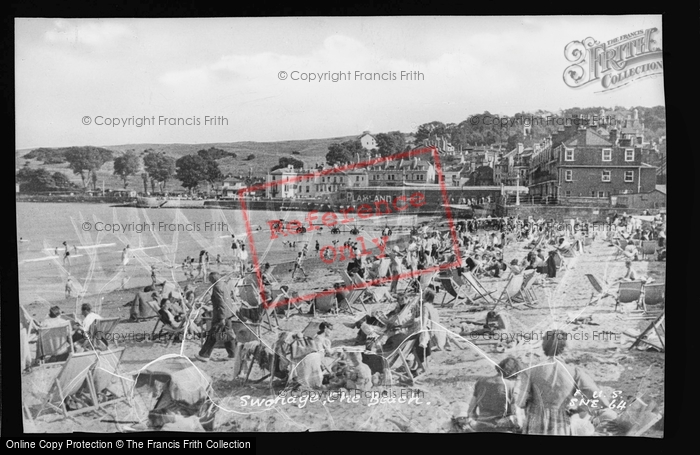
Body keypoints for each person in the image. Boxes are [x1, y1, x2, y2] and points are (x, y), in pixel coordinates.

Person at [516, 329, 614, 435]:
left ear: (544, 346)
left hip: (534, 423)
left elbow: (520, 402)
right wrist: (579, 408)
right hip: (560, 423)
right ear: (564, 349)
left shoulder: (530, 371)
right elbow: (602, 401)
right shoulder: (575, 372)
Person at [467, 356, 523, 432]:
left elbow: (471, 410)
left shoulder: (481, 382)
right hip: (502, 429)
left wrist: (475, 423)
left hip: (481, 427)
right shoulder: (511, 386)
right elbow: (516, 417)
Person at [195, 272, 236, 362]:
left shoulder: (217, 287)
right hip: (228, 314)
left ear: (213, 279)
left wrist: (221, 318)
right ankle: (232, 354)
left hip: (220, 315)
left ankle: (204, 355)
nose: (210, 281)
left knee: (212, 335)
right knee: (227, 334)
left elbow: (221, 304)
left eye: (210, 279)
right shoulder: (223, 285)